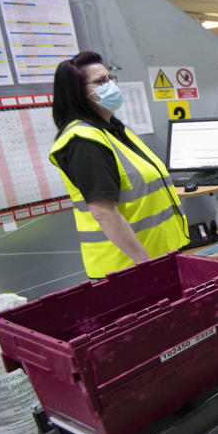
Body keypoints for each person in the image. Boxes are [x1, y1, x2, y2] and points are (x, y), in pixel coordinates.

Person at [49, 51, 187, 279]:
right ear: (77, 93)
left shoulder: (114, 130)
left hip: (156, 259)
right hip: (128, 269)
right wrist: (144, 263)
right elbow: (103, 212)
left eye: (109, 78)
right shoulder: (84, 142)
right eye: (100, 81)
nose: (110, 85)